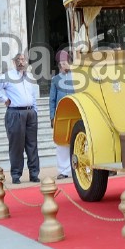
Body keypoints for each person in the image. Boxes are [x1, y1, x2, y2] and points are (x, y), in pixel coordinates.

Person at [0, 52, 40, 184]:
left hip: (30, 113)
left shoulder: (28, 78)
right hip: (15, 113)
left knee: (32, 145)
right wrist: (5, 99)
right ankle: (16, 174)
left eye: (23, 59)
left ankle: (34, 173)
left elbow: (32, 96)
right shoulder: (7, 76)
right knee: (16, 145)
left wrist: (35, 111)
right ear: (14, 62)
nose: (21, 62)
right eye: (18, 60)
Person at [48, 49, 75, 180]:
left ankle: (79, 168)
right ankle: (64, 171)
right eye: (61, 63)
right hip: (61, 115)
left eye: (65, 63)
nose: (63, 65)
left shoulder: (77, 77)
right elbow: (52, 99)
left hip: (76, 113)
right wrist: (52, 116)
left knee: (78, 141)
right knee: (61, 143)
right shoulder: (55, 80)